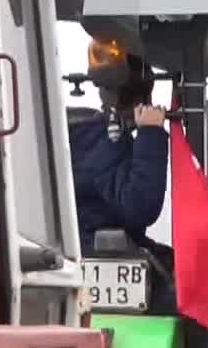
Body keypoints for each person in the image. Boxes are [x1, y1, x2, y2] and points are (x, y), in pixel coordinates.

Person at [67, 54, 169, 253]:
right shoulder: (104, 141)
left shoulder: (81, 134)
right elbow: (139, 207)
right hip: (97, 255)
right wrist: (150, 134)